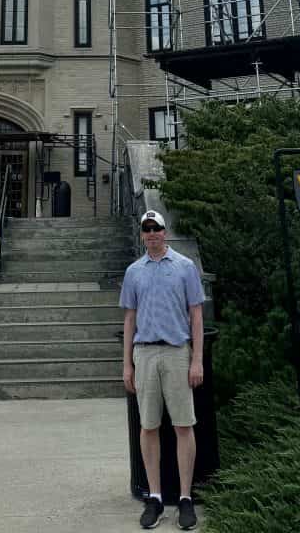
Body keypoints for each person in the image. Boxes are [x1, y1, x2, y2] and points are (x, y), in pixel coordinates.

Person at [120, 209, 205, 530]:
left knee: (184, 425)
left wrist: (196, 359)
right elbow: (130, 318)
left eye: (156, 228)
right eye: (147, 229)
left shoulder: (185, 267)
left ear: (164, 232)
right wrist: (126, 362)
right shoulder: (133, 272)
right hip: (145, 354)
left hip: (176, 352)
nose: (152, 234)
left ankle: (185, 498)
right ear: (142, 234)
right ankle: (154, 497)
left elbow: (196, 315)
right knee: (149, 426)